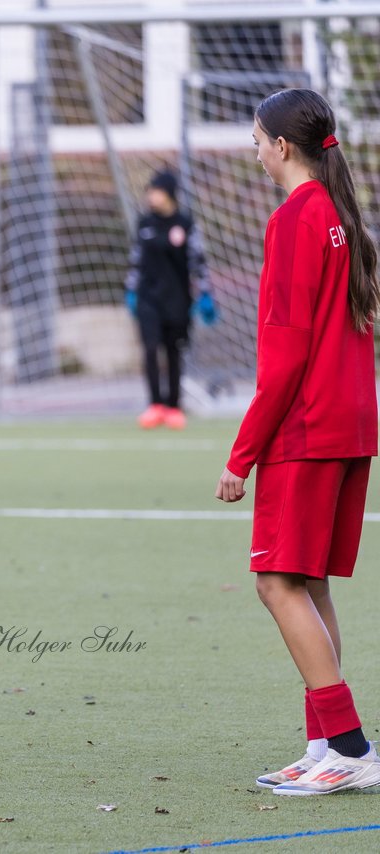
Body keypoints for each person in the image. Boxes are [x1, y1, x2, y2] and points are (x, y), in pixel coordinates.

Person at [216, 88, 380, 795]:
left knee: (276, 582)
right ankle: (324, 747)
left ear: (282, 146)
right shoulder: (340, 215)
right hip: (351, 423)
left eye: (256, 139)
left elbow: (283, 356)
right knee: (307, 583)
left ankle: (348, 747)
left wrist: (239, 455)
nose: (254, 150)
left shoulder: (295, 219)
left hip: (308, 429)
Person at [124, 169, 216, 430]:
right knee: (151, 349)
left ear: (169, 194)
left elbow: (198, 262)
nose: (151, 196)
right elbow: (136, 261)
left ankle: (173, 407)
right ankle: (154, 405)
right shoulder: (144, 224)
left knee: (174, 352)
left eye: (156, 191)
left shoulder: (185, 225)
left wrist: (206, 293)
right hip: (148, 299)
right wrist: (131, 291)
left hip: (177, 301)